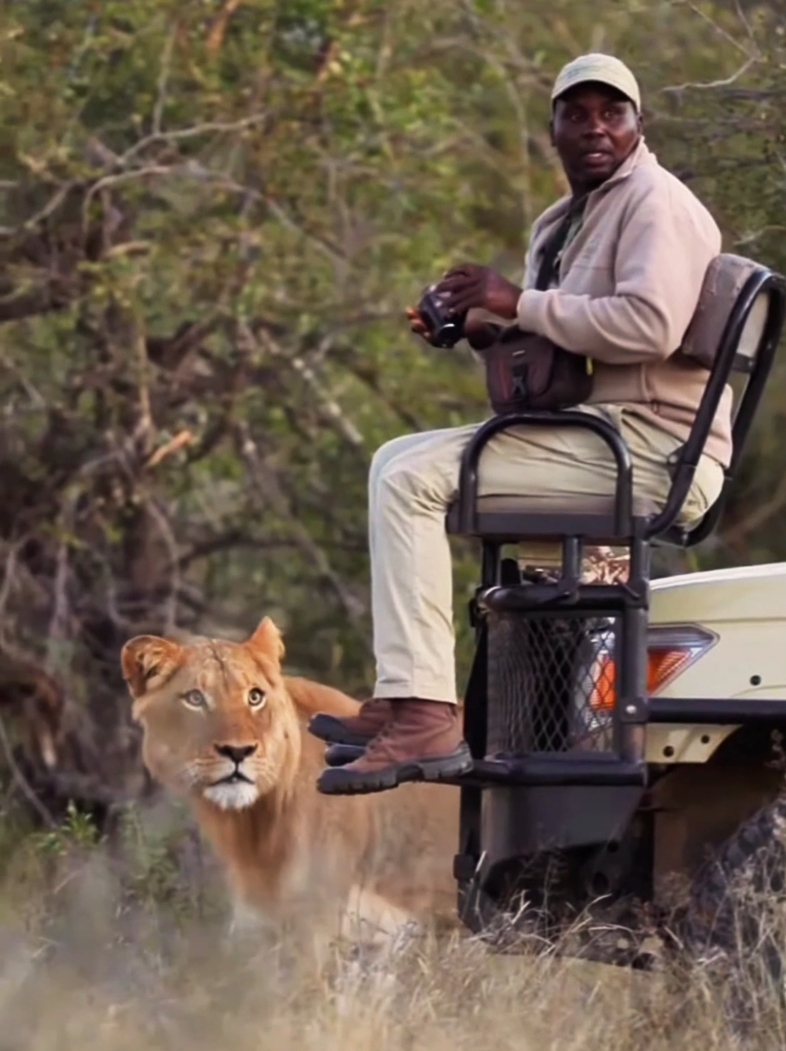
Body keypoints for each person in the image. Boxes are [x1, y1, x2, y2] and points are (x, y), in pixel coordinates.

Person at [309, 53, 728, 796]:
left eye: (613, 113)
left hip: (651, 450)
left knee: (410, 479)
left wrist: (515, 301)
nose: (595, 127)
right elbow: (560, 346)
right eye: (578, 113)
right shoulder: (566, 220)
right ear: (554, 130)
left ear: (639, 126)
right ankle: (410, 694)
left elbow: (648, 327)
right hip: (603, 436)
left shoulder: (656, 204)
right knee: (392, 458)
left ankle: (429, 716)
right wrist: (475, 324)